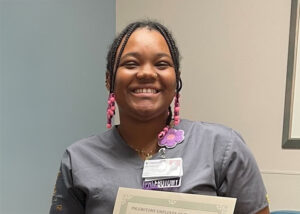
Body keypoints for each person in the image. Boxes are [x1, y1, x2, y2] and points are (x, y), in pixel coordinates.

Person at [49, 20, 270, 214]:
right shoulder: (78, 160)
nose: (146, 73)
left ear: (176, 80)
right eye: (131, 64)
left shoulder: (223, 148)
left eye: (161, 64)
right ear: (109, 80)